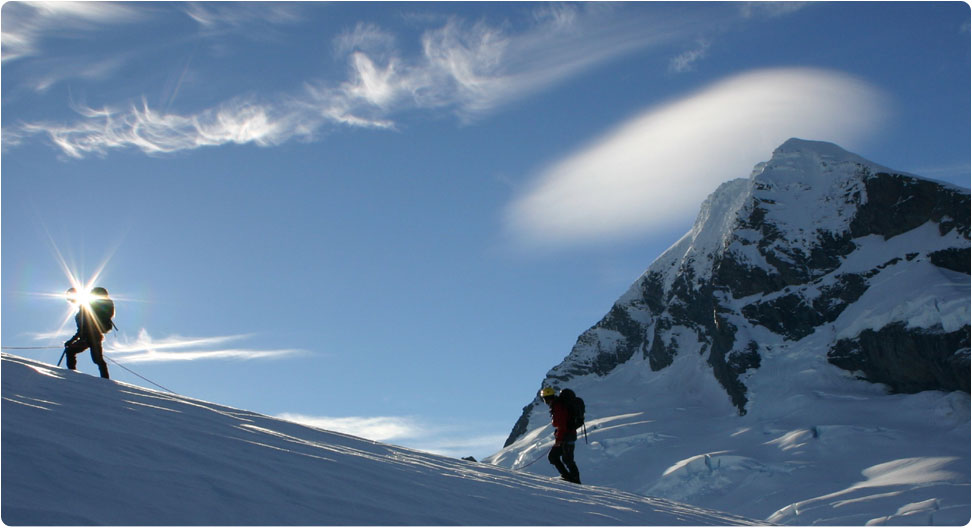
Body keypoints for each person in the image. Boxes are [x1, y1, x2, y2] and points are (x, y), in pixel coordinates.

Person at [63, 287, 113, 379]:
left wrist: (72, 340)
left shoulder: (85, 308)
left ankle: (72, 374)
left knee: (96, 359)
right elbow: (81, 329)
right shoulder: (83, 309)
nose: (71, 301)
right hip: (92, 337)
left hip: (91, 337)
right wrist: (71, 340)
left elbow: (83, 328)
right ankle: (105, 379)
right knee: (97, 359)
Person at [540, 387, 581, 484]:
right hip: (568, 435)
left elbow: (562, 424)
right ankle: (569, 477)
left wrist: (559, 439)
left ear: (548, 398)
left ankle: (573, 479)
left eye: (545, 399)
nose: (545, 401)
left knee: (563, 458)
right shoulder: (558, 405)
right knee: (562, 458)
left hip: (566, 436)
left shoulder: (557, 406)